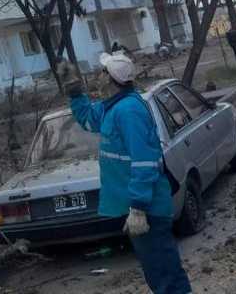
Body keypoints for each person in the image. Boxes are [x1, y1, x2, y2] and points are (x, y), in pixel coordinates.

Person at [58, 53, 191, 294]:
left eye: (102, 71)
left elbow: (144, 162)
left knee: (165, 276)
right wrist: (75, 93)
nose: (98, 75)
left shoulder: (128, 111)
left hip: (147, 211)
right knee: (158, 275)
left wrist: (138, 208)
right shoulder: (112, 107)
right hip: (138, 209)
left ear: (112, 79)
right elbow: (89, 119)